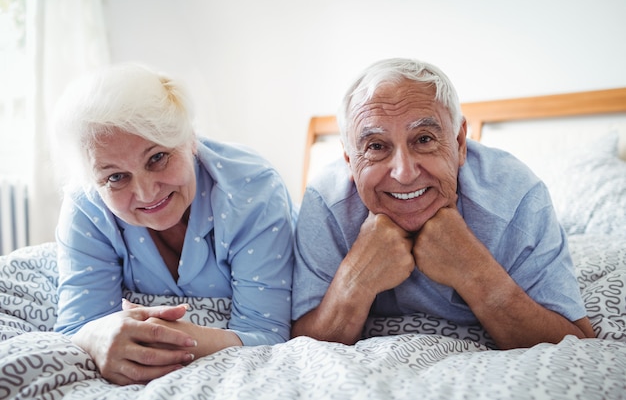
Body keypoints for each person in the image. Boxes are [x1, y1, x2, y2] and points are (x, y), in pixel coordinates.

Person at [291, 57, 594, 349]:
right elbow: (298, 344)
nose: (405, 173)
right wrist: (357, 281)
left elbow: (578, 344)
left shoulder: (517, 195)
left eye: (423, 139)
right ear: (348, 159)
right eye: (376, 146)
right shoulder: (326, 202)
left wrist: (474, 272)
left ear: (460, 143)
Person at [51, 63, 297, 385]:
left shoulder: (254, 191)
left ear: (190, 139)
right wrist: (97, 337)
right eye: (115, 177)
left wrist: (157, 337)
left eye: (157, 158)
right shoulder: (86, 205)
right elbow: (78, 329)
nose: (145, 192)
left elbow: (267, 334)